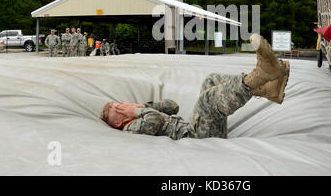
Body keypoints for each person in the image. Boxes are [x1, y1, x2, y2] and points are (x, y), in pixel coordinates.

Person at [100, 34, 290, 140]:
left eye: (119, 103)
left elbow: (172, 106)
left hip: (195, 129)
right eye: (117, 108)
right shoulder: (130, 129)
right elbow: (155, 120)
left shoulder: (138, 113)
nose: (121, 105)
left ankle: (267, 89)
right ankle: (259, 76)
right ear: (117, 123)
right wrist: (137, 112)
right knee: (206, 100)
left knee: (211, 80)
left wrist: (141, 106)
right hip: (194, 136)